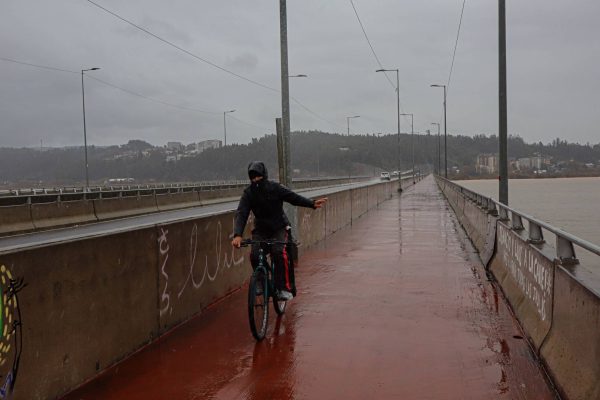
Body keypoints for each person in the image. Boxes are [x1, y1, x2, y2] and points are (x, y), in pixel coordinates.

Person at [232, 161, 327, 300]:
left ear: (264, 175)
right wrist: (237, 235)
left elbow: (293, 198)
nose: (256, 180)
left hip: (279, 228)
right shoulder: (249, 193)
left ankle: (283, 288)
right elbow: (242, 213)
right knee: (254, 255)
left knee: (278, 252)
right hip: (261, 230)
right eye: (253, 177)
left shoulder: (274, 188)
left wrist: (311, 204)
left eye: (258, 176)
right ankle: (261, 281)